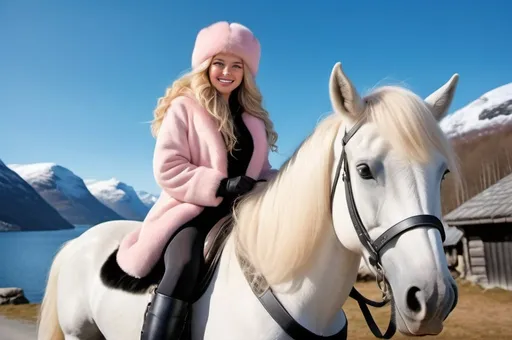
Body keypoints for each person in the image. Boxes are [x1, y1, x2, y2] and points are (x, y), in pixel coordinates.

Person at [114, 21, 279, 339]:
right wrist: (218, 185)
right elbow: (168, 167)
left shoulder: (253, 119)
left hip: (242, 213)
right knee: (185, 264)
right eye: (219, 63)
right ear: (206, 65)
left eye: (236, 65)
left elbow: (261, 171)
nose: (227, 72)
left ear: (246, 72)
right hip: (191, 212)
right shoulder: (184, 108)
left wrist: (280, 183)